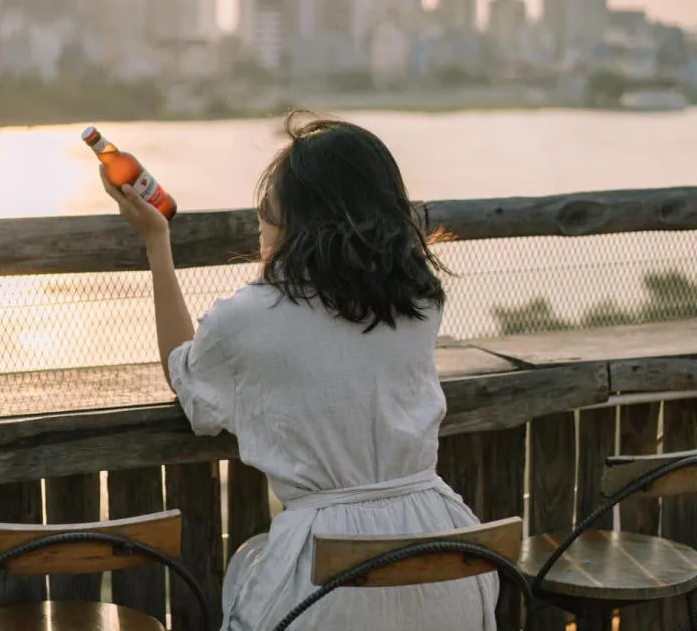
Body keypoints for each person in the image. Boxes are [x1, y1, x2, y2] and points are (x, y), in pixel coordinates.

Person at [100, 112, 498, 631]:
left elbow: (188, 379)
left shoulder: (248, 318)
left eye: (267, 211)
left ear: (295, 220)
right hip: (446, 557)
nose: (260, 225)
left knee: (249, 569)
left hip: (330, 577)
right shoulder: (418, 300)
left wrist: (157, 241)